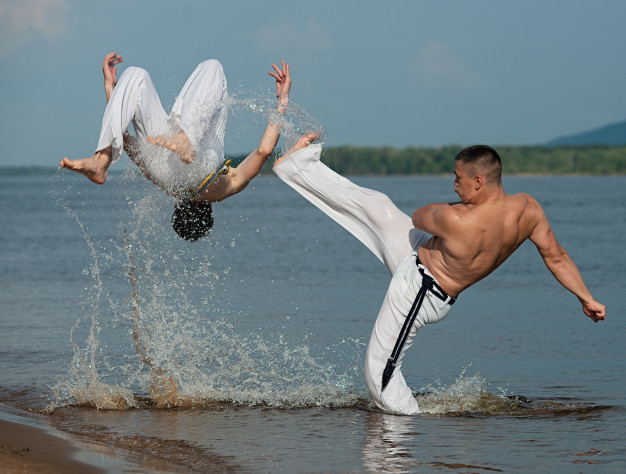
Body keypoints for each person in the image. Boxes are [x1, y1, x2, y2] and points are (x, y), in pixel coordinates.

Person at [273, 134, 606, 415]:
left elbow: (420, 216)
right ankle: (299, 166)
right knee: (379, 208)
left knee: (379, 374)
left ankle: (404, 427)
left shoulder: (457, 219)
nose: (454, 184)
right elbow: (557, 257)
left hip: (420, 289)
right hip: (419, 253)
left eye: (458, 179)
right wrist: (586, 298)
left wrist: (456, 208)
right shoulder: (529, 209)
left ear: (479, 181)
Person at [61, 52, 292, 240]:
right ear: (175, 207)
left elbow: (264, 151)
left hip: (201, 167)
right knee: (134, 75)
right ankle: (105, 158)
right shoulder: (165, 184)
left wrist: (282, 99)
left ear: (210, 209)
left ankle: (104, 159)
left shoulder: (224, 189)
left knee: (213, 67)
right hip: (166, 166)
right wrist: (113, 89)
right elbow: (124, 138)